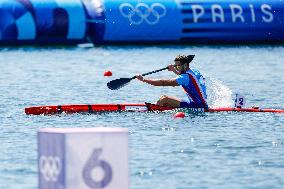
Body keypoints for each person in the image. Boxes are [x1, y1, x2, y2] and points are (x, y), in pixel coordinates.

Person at [136, 55, 208, 109]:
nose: (176, 67)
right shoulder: (194, 71)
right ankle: (159, 107)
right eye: (175, 66)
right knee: (165, 101)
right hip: (200, 102)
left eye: (178, 66)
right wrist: (174, 70)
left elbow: (163, 83)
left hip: (197, 106)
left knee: (164, 99)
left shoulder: (184, 77)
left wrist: (143, 79)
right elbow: (186, 77)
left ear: (185, 65)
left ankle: (152, 111)